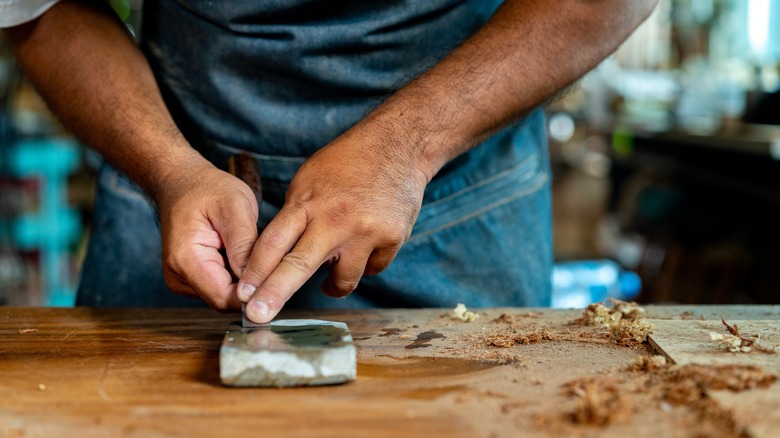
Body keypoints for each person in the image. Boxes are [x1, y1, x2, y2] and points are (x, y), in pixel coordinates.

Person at [2, 0, 658, 323]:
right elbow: (36, 6)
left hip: (460, 200)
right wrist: (170, 169)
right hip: (176, 176)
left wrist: (408, 145)